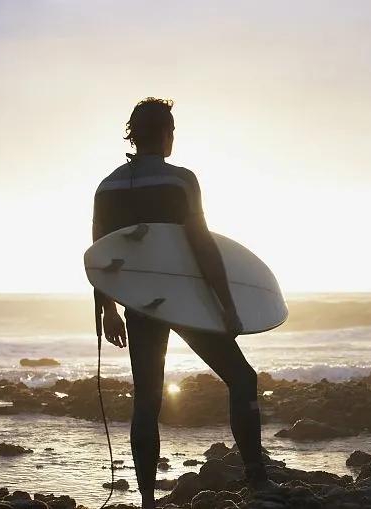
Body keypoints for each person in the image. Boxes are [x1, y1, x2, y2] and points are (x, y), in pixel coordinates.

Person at [91, 97, 273, 508]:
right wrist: (227, 304)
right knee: (242, 379)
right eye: (172, 130)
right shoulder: (181, 180)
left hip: (141, 305)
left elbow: (101, 255)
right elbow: (202, 245)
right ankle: (258, 480)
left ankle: (146, 501)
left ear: (133, 136)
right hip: (190, 301)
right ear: (166, 134)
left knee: (147, 401)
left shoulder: (108, 186)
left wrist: (108, 309)